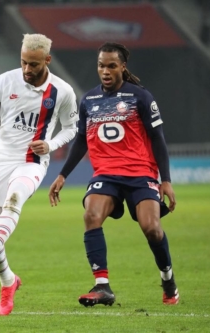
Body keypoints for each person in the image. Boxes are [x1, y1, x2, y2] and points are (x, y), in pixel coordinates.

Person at [48, 42, 179, 307]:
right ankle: (102, 286)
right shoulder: (89, 100)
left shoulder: (140, 97)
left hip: (141, 173)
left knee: (152, 229)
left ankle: (168, 279)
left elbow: (158, 138)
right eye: (100, 65)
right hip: (106, 174)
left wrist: (165, 180)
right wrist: (62, 175)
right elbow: (82, 141)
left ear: (122, 67)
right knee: (91, 215)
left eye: (111, 66)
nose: (105, 71)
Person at [0, 33, 78, 315]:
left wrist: (50, 144)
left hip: (32, 161)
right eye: (24, 62)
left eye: (34, 65)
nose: (27, 70)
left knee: (13, 201)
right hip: (0, 159)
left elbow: (71, 128)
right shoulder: (6, 80)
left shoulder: (62, 92)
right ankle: (9, 281)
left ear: (47, 61)